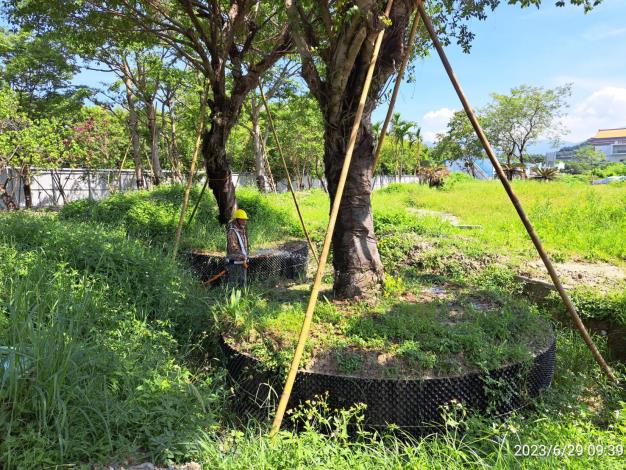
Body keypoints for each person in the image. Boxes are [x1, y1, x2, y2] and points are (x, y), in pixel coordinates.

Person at [225, 208, 249, 288]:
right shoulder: (232, 232)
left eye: (245, 220)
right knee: (233, 285)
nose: (244, 222)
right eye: (242, 220)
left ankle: (243, 299)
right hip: (234, 264)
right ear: (236, 221)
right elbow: (233, 247)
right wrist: (241, 255)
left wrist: (245, 256)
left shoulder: (242, 232)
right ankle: (231, 299)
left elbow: (243, 247)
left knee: (243, 285)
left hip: (242, 263)